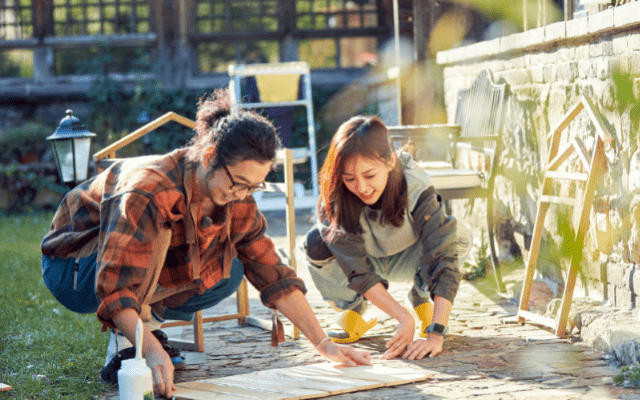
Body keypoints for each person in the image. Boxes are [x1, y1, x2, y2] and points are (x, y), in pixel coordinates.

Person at [41, 88, 371, 399]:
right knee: (162, 232)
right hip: (74, 266)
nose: (243, 195)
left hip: (120, 265)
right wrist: (152, 353)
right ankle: (128, 339)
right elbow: (115, 282)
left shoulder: (237, 196)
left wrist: (324, 343)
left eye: (253, 188)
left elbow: (273, 272)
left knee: (233, 268)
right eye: (239, 183)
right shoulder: (150, 188)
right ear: (210, 155)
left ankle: (145, 327)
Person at [303, 115, 466, 362]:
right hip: (364, 265)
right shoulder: (334, 194)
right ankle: (354, 308)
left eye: (369, 175)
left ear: (390, 160)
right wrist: (402, 318)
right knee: (315, 241)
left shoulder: (416, 183)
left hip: (409, 259)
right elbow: (357, 271)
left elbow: (442, 255)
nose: (362, 187)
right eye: (350, 179)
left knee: (458, 235)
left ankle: (422, 299)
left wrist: (436, 334)